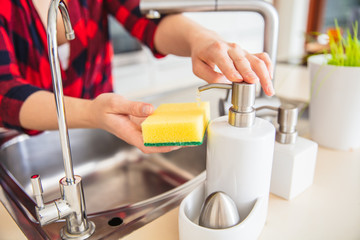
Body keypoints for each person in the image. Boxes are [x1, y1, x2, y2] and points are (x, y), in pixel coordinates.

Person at [0, 0, 274, 154]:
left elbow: (147, 20)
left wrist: (200, 39)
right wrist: (92, 112)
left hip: (102, 135)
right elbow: (6, 93)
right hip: (26, 150)